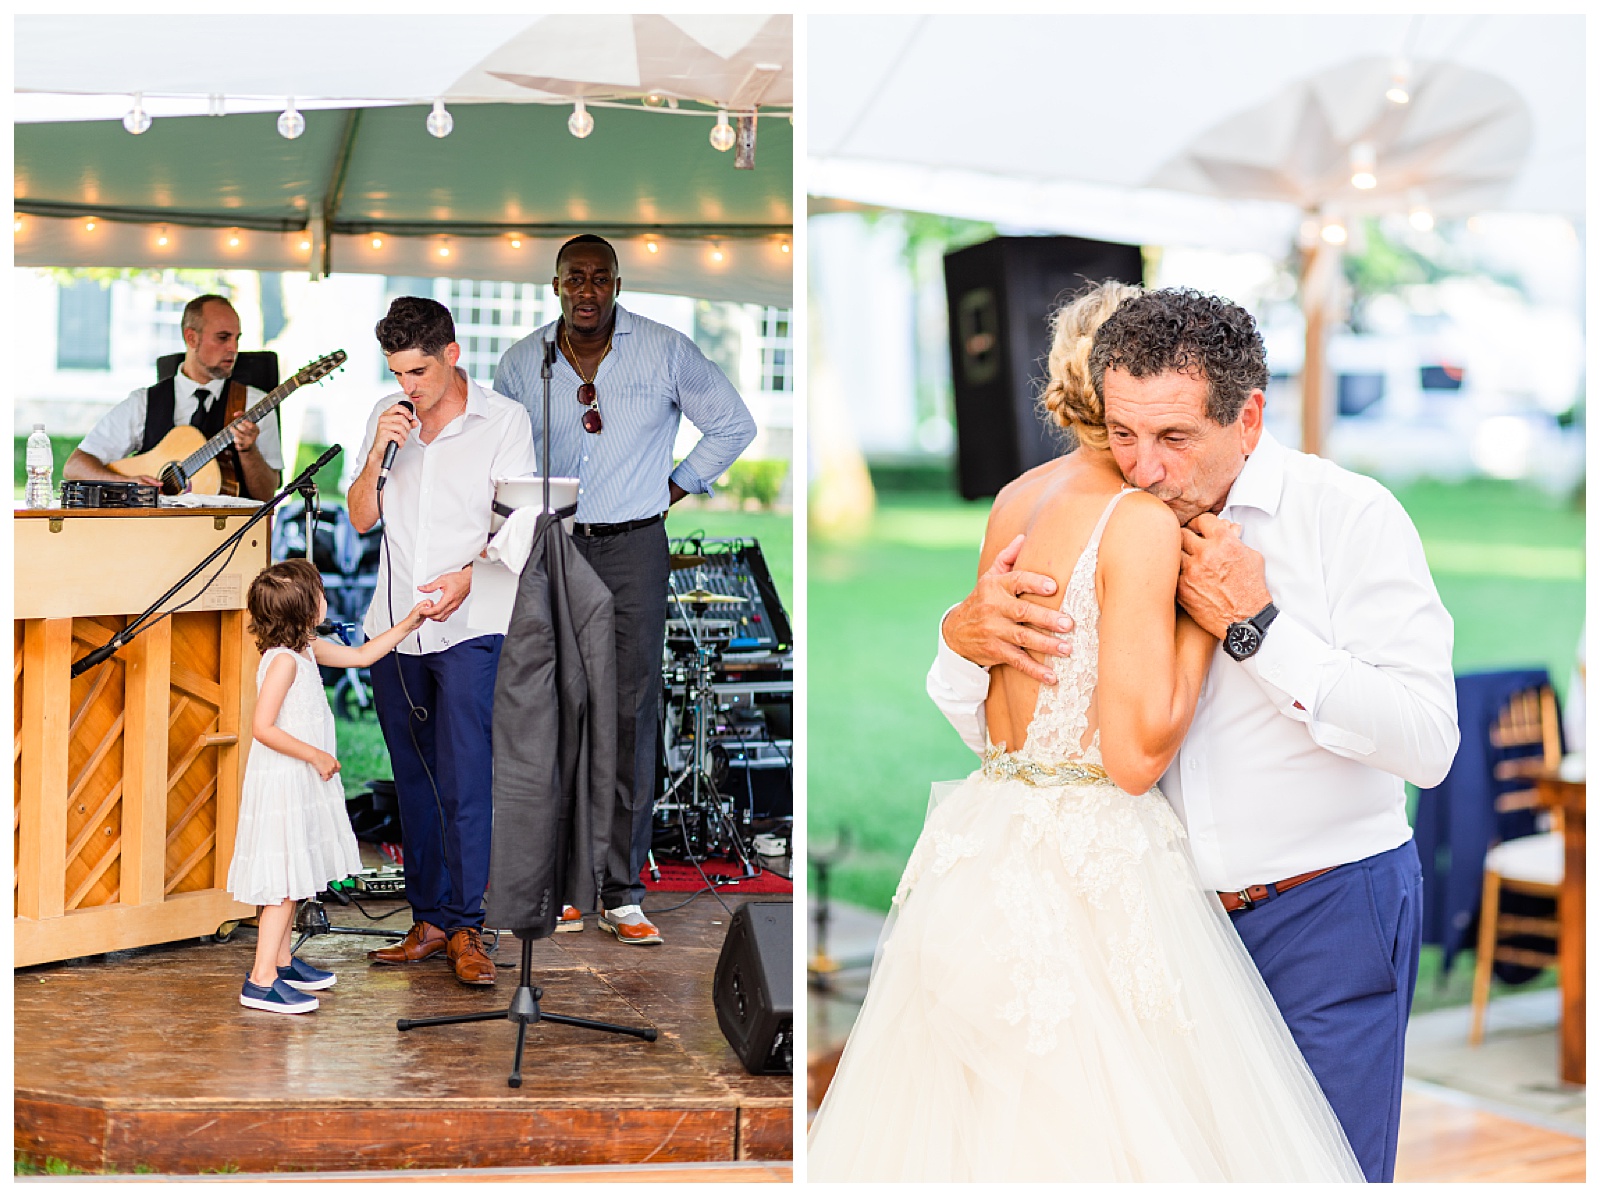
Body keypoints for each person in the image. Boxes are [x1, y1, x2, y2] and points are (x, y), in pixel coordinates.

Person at [808, 282, 1369, 1181]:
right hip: (1093, 867)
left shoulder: (1016, 500)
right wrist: (1201, 621)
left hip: (983, 846)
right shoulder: (1141, 520)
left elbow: (996, 714)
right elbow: (1136, 755)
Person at [920, 287, 1459, 1181]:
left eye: (1174, 439)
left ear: (1248, 418)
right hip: (1156, 930)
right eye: (1124, 434)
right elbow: (1027, 743)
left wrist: (1257, 627)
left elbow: (1428, 741)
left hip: (1323, 912)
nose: (1144, 468)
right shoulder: (1112, 519)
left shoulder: (1350, 517)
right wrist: (958, 643)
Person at [494, 235, 756, 947]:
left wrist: (672, 487)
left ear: (617, 283)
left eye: (599, 278)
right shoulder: (523, 362)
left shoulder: (667, 350)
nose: (587, 290)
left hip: (634, 546)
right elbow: (499, 454)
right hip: (550, 545)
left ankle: (621, 889)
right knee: (549, 708)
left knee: (629, 713)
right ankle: (558, 885)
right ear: (554, 285)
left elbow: (735, 424)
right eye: (574, 278)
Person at [350, 296, 537, 986]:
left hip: (470, 622)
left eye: (420, 371)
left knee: (464, 780)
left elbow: (520, 523)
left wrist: (468, 575)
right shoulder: (387, 417)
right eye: (399, 373)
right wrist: (376, 450)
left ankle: (467, 927)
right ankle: (426, 920)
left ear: (452, 354)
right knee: (415, 780)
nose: (410, 387)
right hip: (394, 626)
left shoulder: (504, 421)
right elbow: (363, 517)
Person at [228, 558, 427, 1014]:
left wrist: (410, 623)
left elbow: (360, 656)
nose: (326, 599)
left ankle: (279, 960)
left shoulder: (306, 648)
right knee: (281, 884)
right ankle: (260, 980)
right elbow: (262, 727)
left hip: (301, 782)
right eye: (317, 594)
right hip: (285, 781)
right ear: (301, 610)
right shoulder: (282, 663)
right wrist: (315, 754)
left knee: (295, 876)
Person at [65, 294, 283, 500]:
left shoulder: (255, 405)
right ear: (192, 338)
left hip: (229, 535)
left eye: (237, 338)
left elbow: (265, 495)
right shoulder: (143, 403)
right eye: (223, 338)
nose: (234, 348)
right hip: (154, 533)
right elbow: (75, 466)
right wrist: (126, 483)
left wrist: (248, 450)